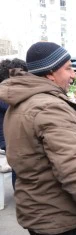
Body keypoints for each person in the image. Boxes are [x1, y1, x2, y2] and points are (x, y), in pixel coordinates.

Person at [0, 42, 76, 235]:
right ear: (50, 72)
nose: (73, 73)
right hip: (60, 214)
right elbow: (72, 170)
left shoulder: (25, 102)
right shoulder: (50, 107)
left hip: (41, 207)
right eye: (68, 68)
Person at [0, 58, 28, 190]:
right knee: (18, 168)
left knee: (18, 167)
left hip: (9, 137)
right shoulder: (6, 93)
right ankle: (20, 193)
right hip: (9, 137)